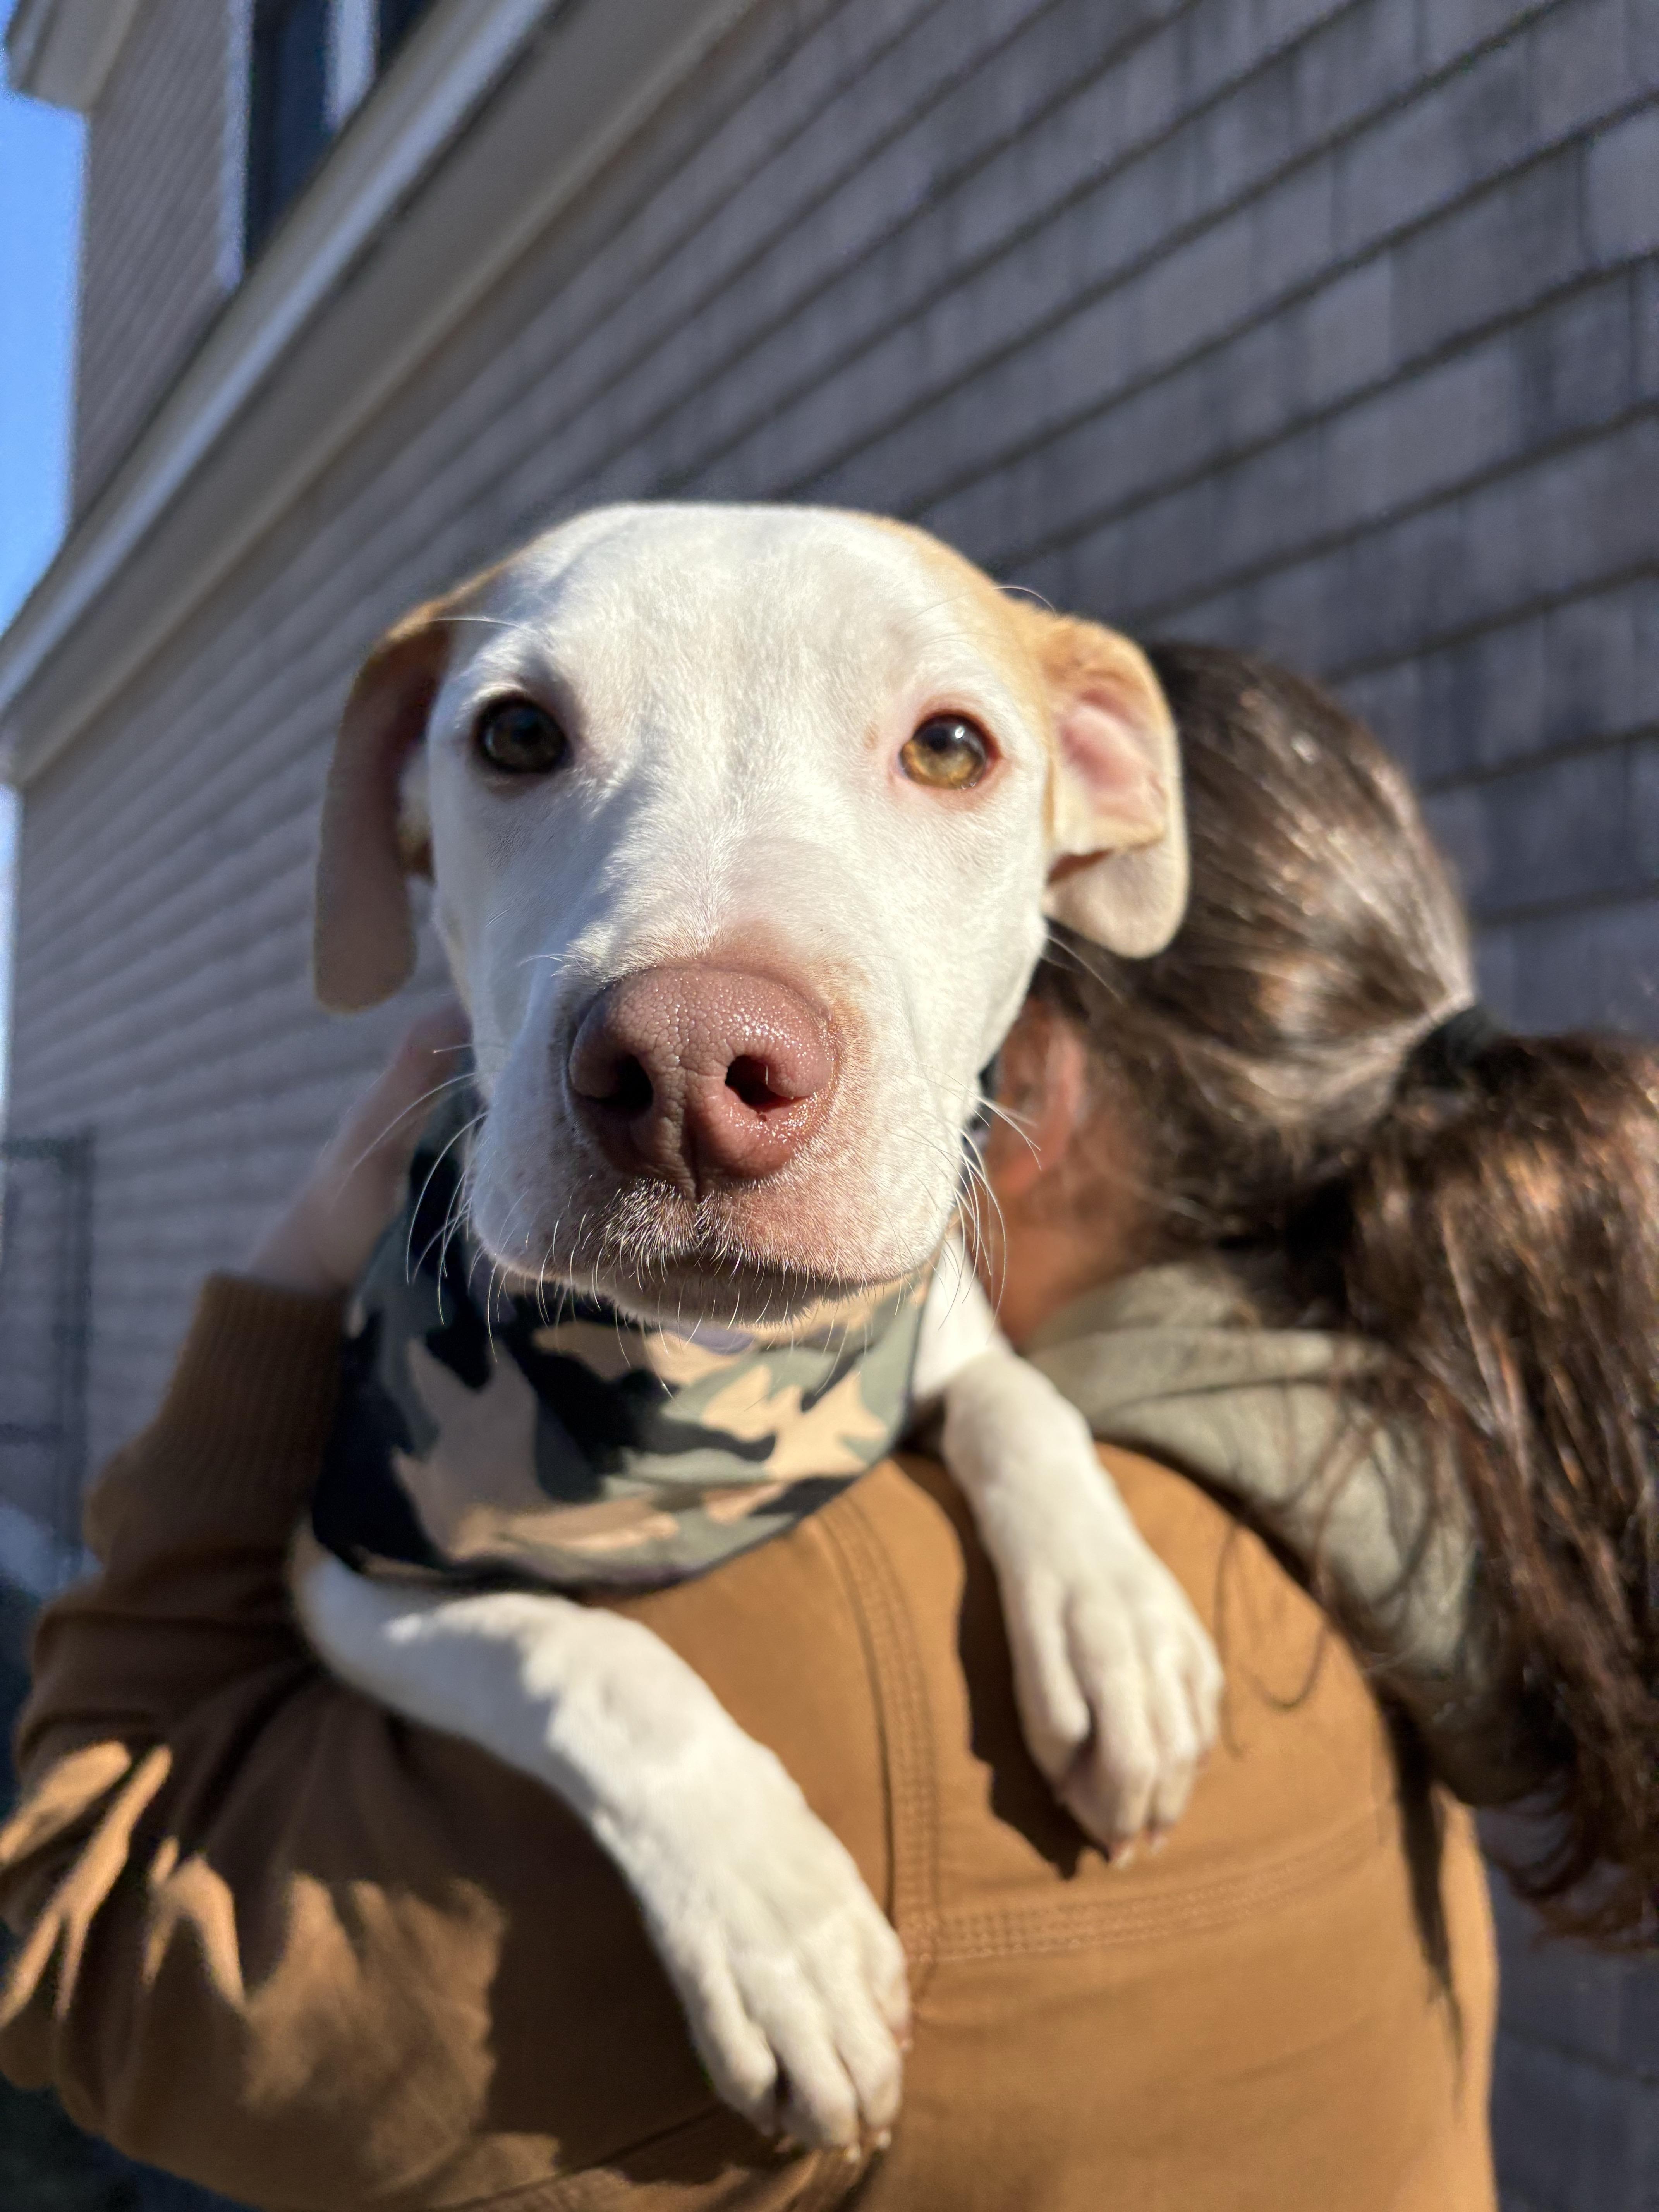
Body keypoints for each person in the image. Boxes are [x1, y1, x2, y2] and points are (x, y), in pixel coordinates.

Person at [0, 641, 1571, 2212]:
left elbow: (79, 1940)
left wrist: (290, 1273)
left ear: (1028, 1085)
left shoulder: (831, 1665)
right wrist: (1024, 1453)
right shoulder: (1420, 1535)